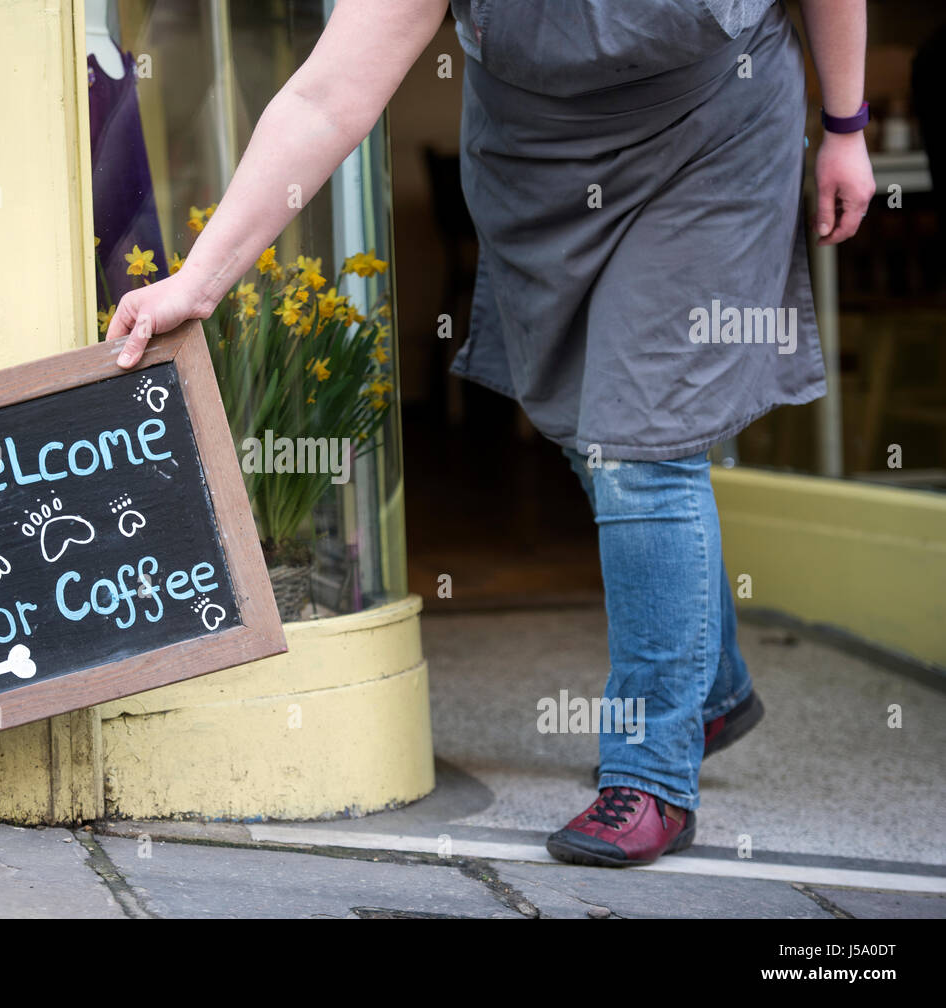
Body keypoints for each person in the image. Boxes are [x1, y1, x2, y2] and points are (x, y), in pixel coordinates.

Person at [107, 0, 875, 868]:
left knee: (638, 443)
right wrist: (199, 283)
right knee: (597, 427)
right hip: (538, 157)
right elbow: (327, 97)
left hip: (712, 134)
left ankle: (652, 771)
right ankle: (711, 687)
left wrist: (845, 121)